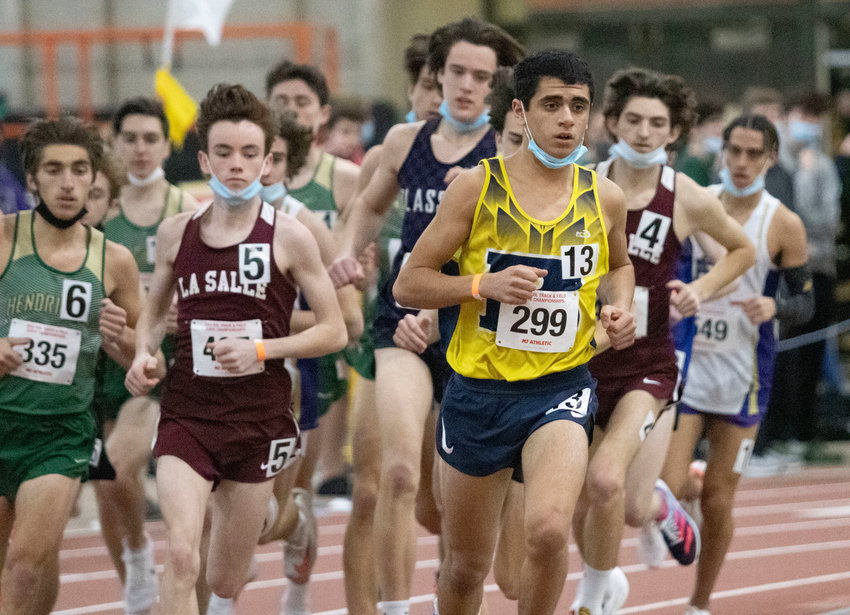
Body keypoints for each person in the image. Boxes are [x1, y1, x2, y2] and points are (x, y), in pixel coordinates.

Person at [393, 48, 636, 615]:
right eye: (553, 105)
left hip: (560, 387)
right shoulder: (477, 188)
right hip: (479, 393)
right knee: (465, 567)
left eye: (579, 106)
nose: (567, 119)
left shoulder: (604, 196)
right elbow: (410, 284)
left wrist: (618, 309)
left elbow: (619, 266)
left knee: (549, 531)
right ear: (522, 113)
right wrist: (482, 286)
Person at [124, 83, 347, 615]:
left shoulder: (289, 236)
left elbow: (335, 329)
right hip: (188, 415)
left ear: (268, 160)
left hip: (257, 422)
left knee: (224, 579)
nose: (237, 165)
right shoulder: (179, 232)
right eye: (223, 153)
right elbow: (154, 314)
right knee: (181, 555)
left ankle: (289, 518)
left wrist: (263, 350)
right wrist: (142, 354)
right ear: (204, 158)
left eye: (250, 154)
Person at [329, 17, 524, 615]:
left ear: (497, 86)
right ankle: (395, 608)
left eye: (481, 77)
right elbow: (365, 206)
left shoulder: (508, 151)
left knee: (447, 512)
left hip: (477, 330)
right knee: (395, 473)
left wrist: (450, 308)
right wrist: (344, 254)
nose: (466, 86)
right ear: (436, 74)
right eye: (457, 72)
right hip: (403, 327)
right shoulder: (405, 142)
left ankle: (459, 580)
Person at [569, 68, 756, 615]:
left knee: (612, 490)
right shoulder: (582, 182)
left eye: (658, 123)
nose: (645, 132)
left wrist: (699, 289)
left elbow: (741, 251)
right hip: (579, 361)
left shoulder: (686, 197)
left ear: (674, 133)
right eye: (634, 120)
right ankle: (615, 572)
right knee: (588, 503)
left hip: (647, 369)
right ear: (610, 124)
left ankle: (604, 580)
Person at [654, 114, 812, 615]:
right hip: (687, 363)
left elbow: (806, 301)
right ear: (722, 151)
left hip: (745, 374)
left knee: (721, 500)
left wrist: (776, 307)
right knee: (668, 483)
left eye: (753, 154)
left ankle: (699, 603)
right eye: (734, 152)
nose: (741, 164)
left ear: (770, 159)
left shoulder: (782, 222)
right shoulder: (697, 202)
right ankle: (691, 484)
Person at [0, 116, 141, 614]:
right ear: (32, 179)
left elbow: (147, 365)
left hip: (60, 435)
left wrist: (121, 342)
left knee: (23, 566)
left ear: (93, 178)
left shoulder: (114, 261)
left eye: (79, 170)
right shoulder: (2, 240)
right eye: (54, 170)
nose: (67, 182)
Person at [340, 31, 443, 615]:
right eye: (426, 86)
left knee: (436, 502)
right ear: (411, 89)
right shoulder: (390, 156)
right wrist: (352, 281)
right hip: (390, 330)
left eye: (445, 85)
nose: (436, 97)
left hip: (459, 335)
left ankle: (453, 581)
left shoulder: (487, 153)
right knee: (378, 483)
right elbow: (352, 234)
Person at [94, 97, 199, 615]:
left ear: (167, 144)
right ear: (114, 145)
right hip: (101, 364)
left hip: (168, 367)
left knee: (116, 464)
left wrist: (184, 312)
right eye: (129, 138)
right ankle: (135, 572)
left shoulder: (186, 210)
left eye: (149, 138)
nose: (139, 149)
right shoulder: (100, 215)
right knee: (106, 484)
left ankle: (147, 561)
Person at [265, 60, 361, 507]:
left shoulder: (341, 181)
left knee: (292, 494)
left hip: (315, 348)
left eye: (301, 102)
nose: (291, 110)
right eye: (281, 101)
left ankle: (327, 481)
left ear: (322, 112)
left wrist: (361, 267)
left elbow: (351, 300)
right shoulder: (227, 200)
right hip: (249, 355)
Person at [752, 92, 841, 470]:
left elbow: (828, 218)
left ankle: (796, 432)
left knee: (805, 355)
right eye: (802, 114)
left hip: (814, 268)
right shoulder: (776, 165)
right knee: (776, 355)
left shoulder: (815, 163)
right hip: (772, 272)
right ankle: (768, 436)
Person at [322, 97, 369, 163]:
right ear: (328, 131)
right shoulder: (315, 158)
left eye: (358, 132)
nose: (353, 139)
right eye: (345, 132)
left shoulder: (359, 163)